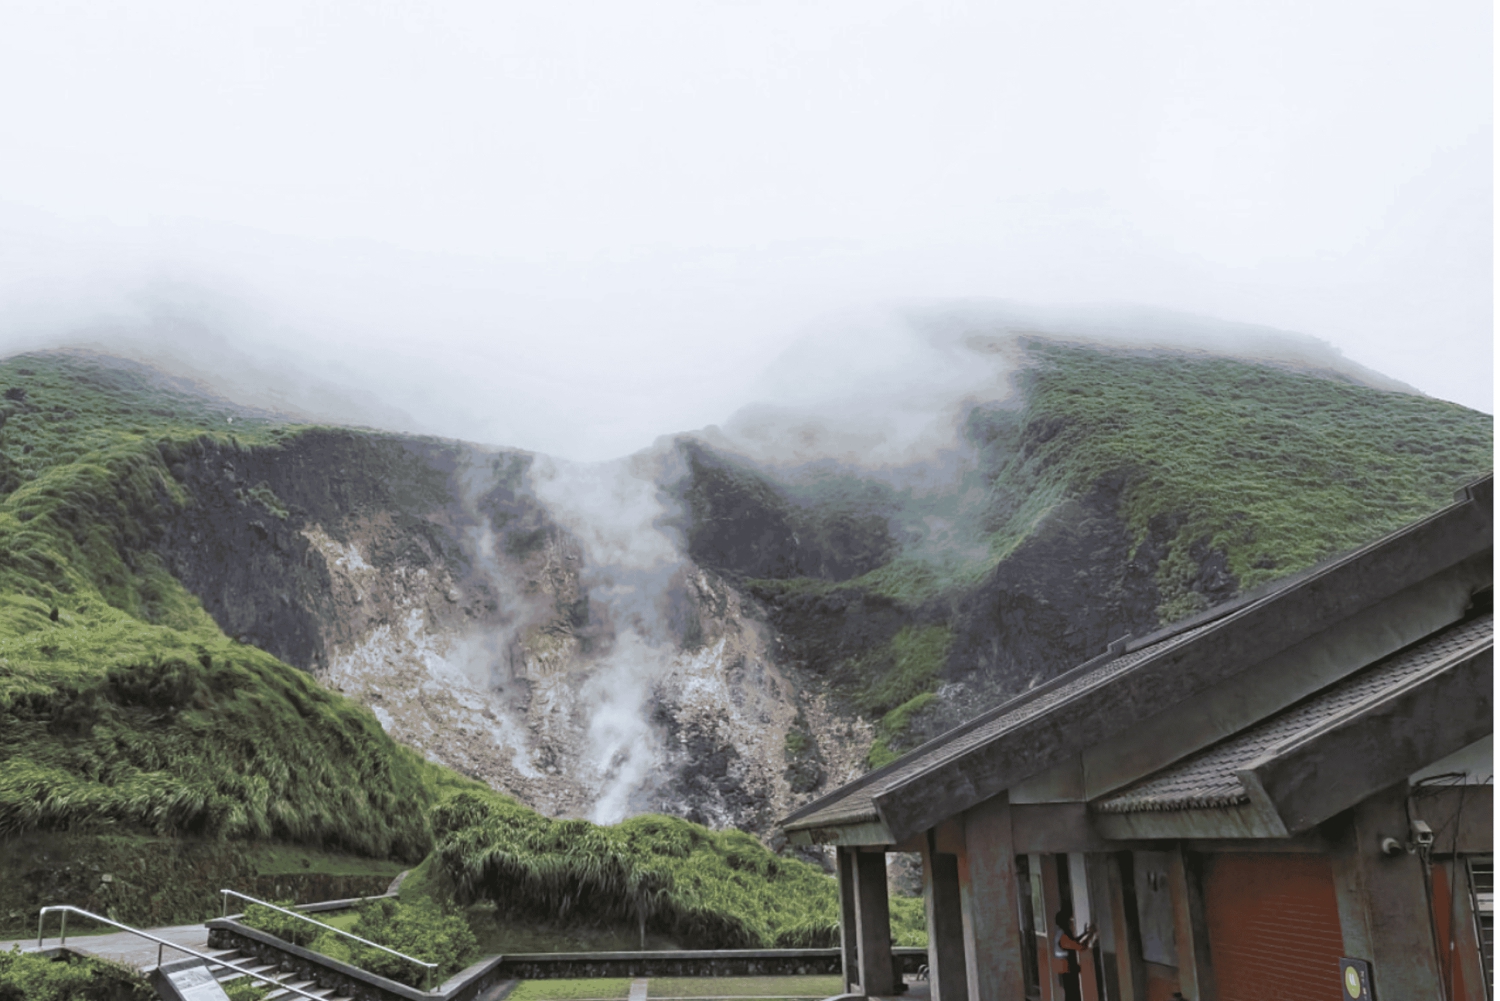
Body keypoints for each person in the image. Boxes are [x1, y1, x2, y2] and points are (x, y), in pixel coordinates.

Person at [1052, 907, 1098, 1001]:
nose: (1070, 922)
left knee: (1070, 995)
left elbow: (1073, 942)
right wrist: (1091, 935)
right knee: (1072, 996)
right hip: (1068, 970)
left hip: (1064, 970)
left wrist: (1084, 934)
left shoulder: (1060, 933)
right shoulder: (1064, 937)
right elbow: (1080, 947)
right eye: (1069, 920)